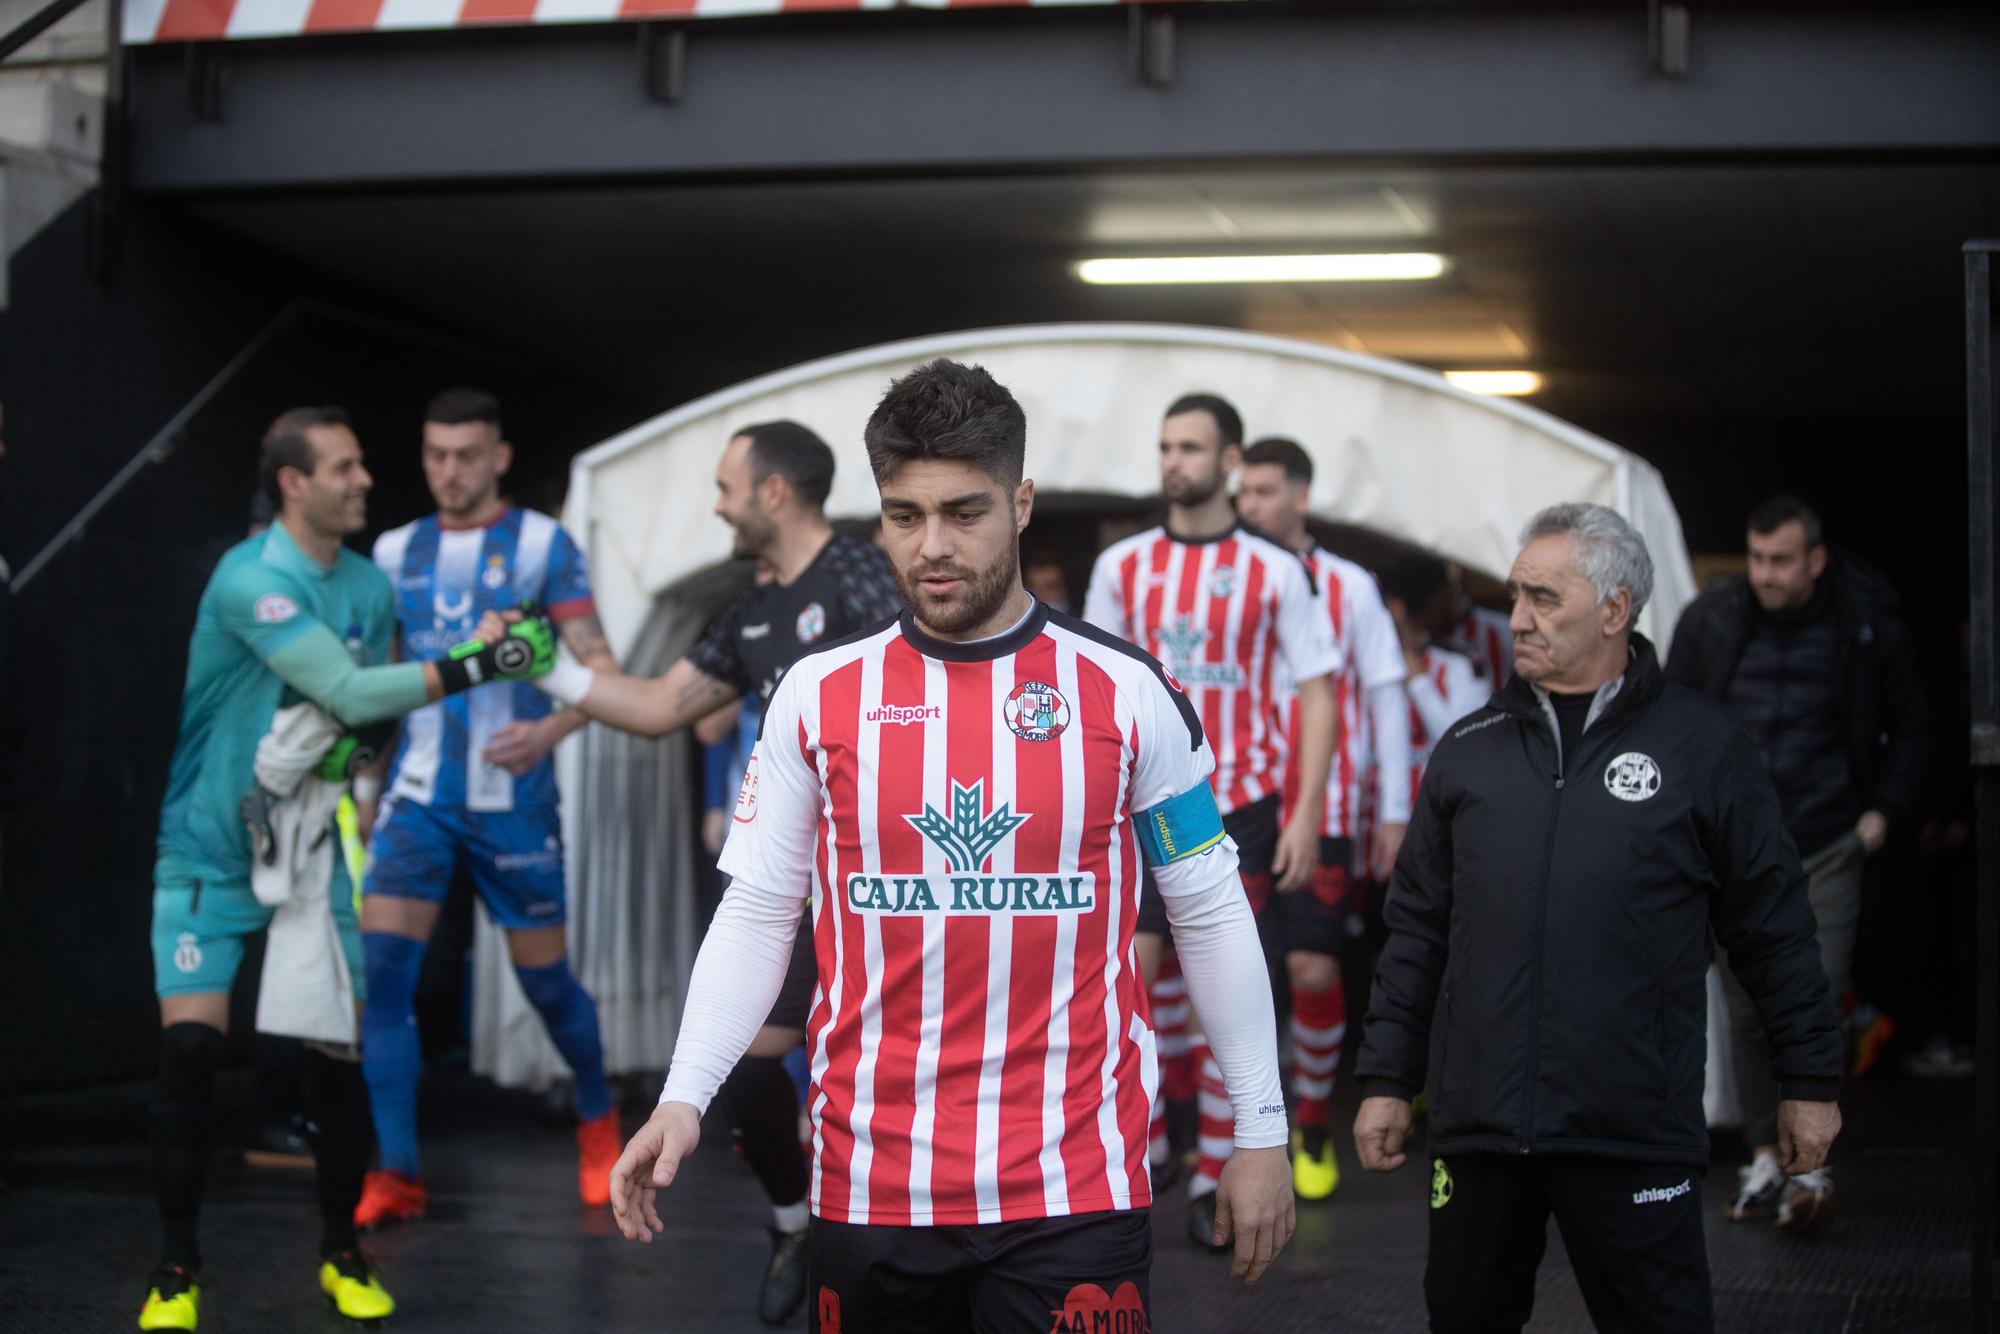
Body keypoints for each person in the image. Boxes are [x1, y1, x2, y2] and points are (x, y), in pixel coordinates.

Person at [604, 358, 1295, 1331]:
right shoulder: (816, 695)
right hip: (872, 1180)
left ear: (1019, 502)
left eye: (963, 512)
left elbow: (1209, 911)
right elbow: (758, 908)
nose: (931, 545)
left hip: (1074, 1183)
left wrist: (1258, 1132)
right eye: (902, 514)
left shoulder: (1128, 691)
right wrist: (684, 1094)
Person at [1353, 502, 1843, 1334]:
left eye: (1544, 598)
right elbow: (1418, 934)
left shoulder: (1703, 746)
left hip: (1632, 1129)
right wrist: (1386, 1080)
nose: (1516, 620)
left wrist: (1810, 1083)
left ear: (1615, 610)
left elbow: (1773, 927)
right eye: (1514, 595)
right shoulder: (1468, 748)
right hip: (1480, 1130)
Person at [142, 406, 556, 1331]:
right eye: (345, 466)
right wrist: (482, 662)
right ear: (294, 482)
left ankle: (341, 1252)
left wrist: (355, 755)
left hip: (310, 850)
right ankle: (176, 1271)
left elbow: (369, 718)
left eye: (363, 463)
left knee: (339, 1055)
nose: (366, 479)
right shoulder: (253, 578)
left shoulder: (367, 586)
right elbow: (346, 687)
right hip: (208, 850)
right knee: (192, 1053)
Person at [524, 419, 903, 1324]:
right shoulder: (756, 610)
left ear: (774, 492)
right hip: (793, 882)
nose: (718, 505)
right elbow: (659, 706)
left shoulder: (861, 575)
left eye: (727, 487)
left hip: (891, 881)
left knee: (885, 1083)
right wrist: (541, 668)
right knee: (735, 1060)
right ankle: (792, 1221)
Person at [350, 388, 623, 1231]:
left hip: (515, 802)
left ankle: (598, 1118)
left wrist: (548, 731)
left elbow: (601, 668)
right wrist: (368, 783)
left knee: (545, 984)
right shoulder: (395, 550)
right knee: (384, 984)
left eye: (467, 455)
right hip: (419, 801)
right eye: (435, 455)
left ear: (499, 456)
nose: (449, 471)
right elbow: (382, 685)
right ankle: (395, 1171)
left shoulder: (546, 543)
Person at [1082, 394, 1338, 1248]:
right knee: (1127, 979)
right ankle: (1140, 1149)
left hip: (1246, 802)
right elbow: (1096, 684)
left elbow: (1315, 692)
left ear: (1230, 460)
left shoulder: (1276, 567)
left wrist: (1304, 813)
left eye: (1190, 447)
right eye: (1163, 446)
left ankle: (1216, 1167)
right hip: (1145, 801)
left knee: (1229, 982)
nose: (1172, 462)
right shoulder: (1123, 564)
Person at [1666, 493, 1929, 1229]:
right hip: (1734, 845)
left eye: (1781, 559)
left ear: (1815, 558)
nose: (1765, 573)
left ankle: (1814, 1165)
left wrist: (1884, 812)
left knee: (1815, 992)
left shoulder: (1868, 624)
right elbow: (1670, 718)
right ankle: (1761, 1159)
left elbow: (1913, 722)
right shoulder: (1710, 622)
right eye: (1755, 558)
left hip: (1826, 840)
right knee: (1746, 1009)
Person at [1233, 436, 1410, 1203]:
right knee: (1237, 974)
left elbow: (1385, 692)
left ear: (1302, 497)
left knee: (1312, 967)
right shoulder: (1222, 577)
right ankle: (1237, 1129)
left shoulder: (1350, 586)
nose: (1251, 506)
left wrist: (1397, 809)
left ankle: (1311, 1123)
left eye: (1267, 491)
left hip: (1329, 806)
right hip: (1238, 805)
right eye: (1245, 493)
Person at [1379, 550, 1490, 807]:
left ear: (1395, 609)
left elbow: (1466, 746)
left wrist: (1419, 684)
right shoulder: (1362, 666)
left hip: (1437, 814)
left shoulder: (1460, 664)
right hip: (1370, 822)